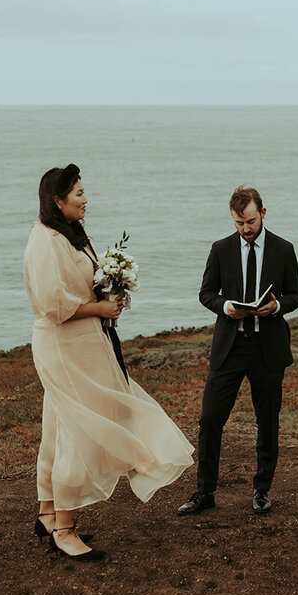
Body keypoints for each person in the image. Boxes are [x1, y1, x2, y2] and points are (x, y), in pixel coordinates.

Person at [24, 164, 194, 561]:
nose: (86, 199)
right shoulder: (46, 240)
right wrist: (99, 306)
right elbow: (53, 305)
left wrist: (109, 296)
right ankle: (64, 528)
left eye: (84, 192)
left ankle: (49, 511)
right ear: (57, 200)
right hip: (64, 346)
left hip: (85, 342)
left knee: (60, 423)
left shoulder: (71, 233)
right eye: (79, 193)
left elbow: (80, 286)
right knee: (77, 430)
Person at [177, 186, 298, 516]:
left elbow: (295, 296)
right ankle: (204, 492)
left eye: (249, 221)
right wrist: (226, 305)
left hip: (268, 349)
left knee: (267, 422)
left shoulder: (284, 249)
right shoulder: (220, 249)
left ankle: (262, 490)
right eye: (238, 223)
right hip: (229, 348)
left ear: (263, 213)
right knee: (210, 419)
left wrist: (276, 307)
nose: (245, 229)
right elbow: (206, 293)